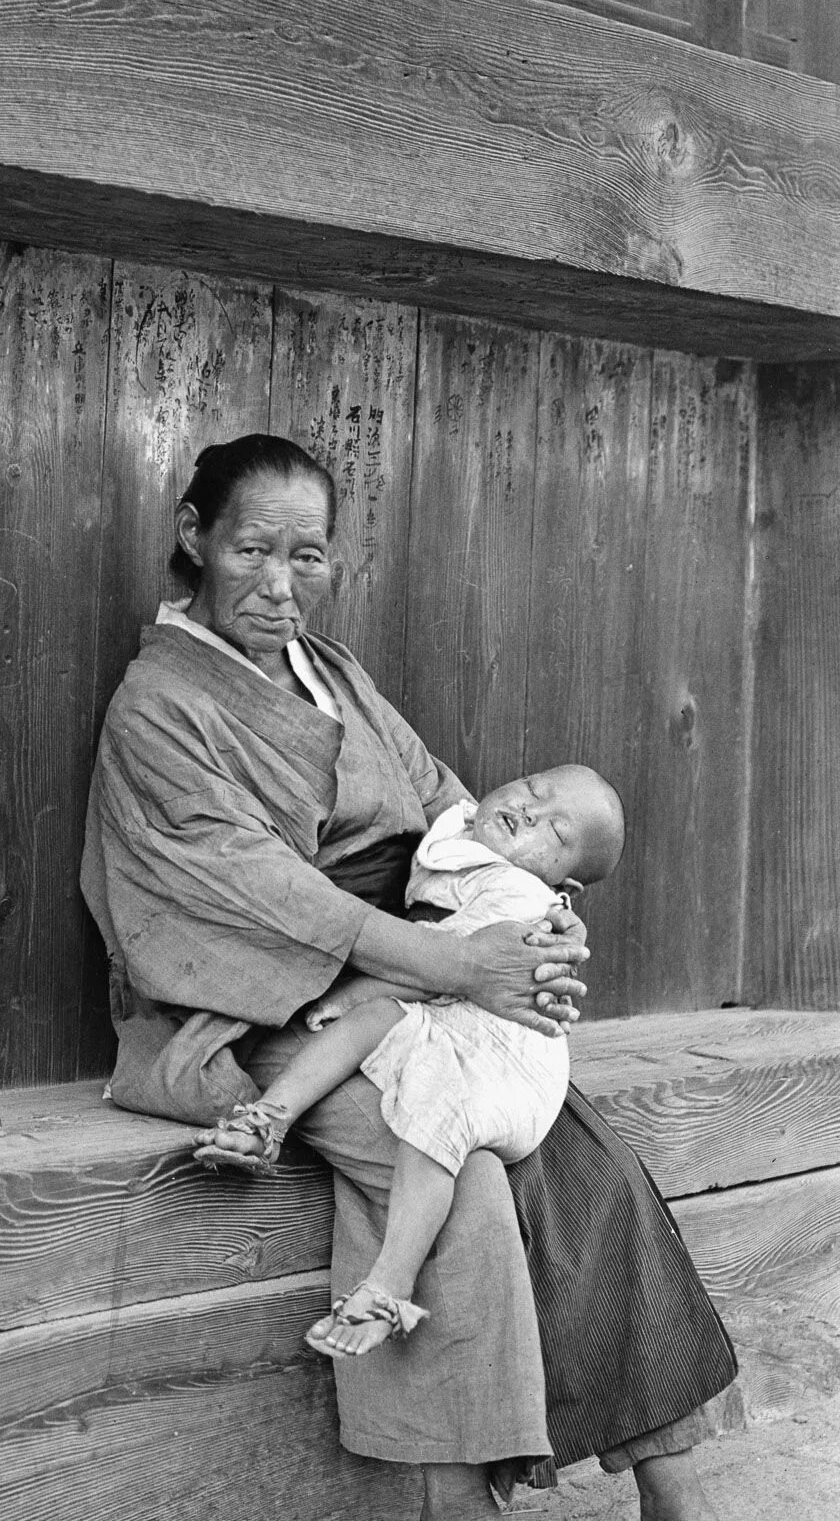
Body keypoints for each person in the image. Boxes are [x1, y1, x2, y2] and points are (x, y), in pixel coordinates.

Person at [81, 433, 736, 1520]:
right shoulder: (160, 706)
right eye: (253, 551)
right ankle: (445, 1500)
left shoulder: (334, 673)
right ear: (194, 538)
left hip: (425, 975)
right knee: (460, 1184)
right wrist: (454, 962)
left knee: (584, 1159)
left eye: (309, 556)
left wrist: (525, 932)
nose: (281, 587)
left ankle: (674, 1485)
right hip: (268, 1003)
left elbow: (451, 807)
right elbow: (260, 892)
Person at [190, 764, 626, 1364]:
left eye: (555, 833)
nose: (529, 812)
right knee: (372, 1028)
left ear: (563, 886)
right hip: (448, 1015)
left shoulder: (520, 895)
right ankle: (267, 1119)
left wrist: (348, 992)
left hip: (502, 1059)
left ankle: (389, 1284)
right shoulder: (460, 825)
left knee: (435, 1117)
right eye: (533, 789)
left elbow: (449, 965)